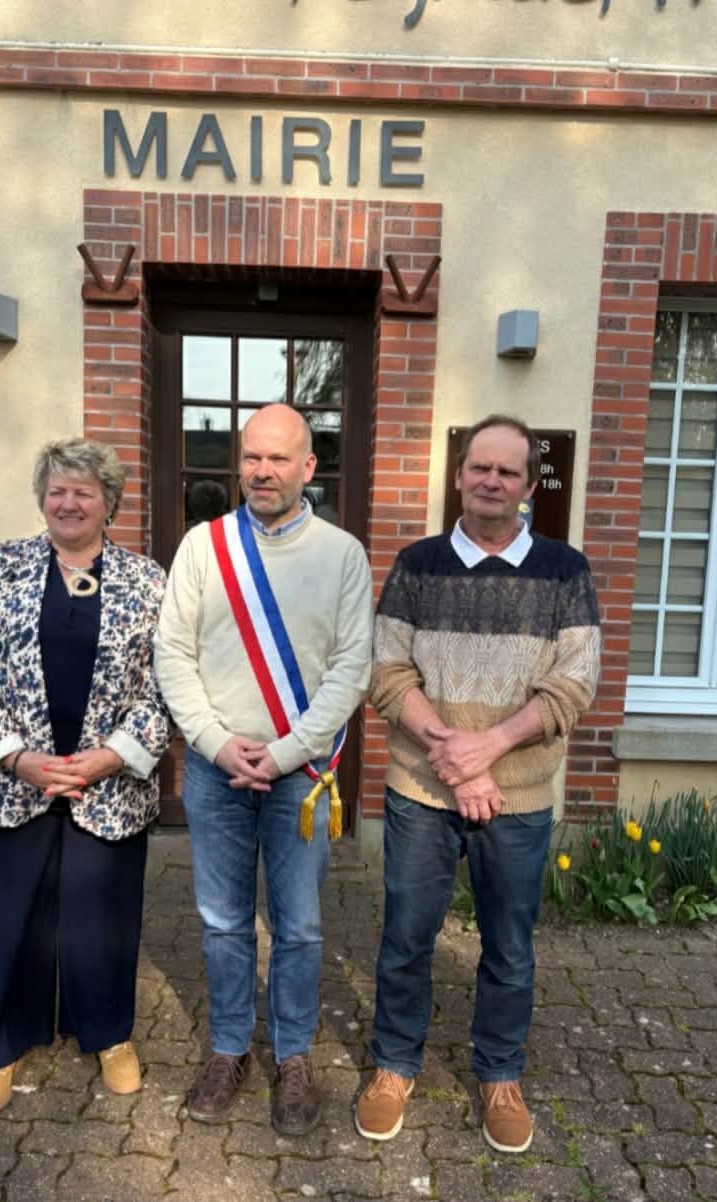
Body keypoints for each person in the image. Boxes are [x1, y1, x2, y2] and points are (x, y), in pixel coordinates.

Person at [357, 414, 600, 1152]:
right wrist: (453, 756)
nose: (491, 481)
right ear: (459, 475)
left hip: (517, 797)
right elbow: (386, 672)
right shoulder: (416, 565)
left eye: (507, 471)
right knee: (406, 937)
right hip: (422, 791)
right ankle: (394, 1064)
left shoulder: (566, 571)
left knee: (510, 947)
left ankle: (499, 1073)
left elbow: (575, 684)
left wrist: (486, 750)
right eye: (479, 467)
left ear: (529, 484)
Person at [154, 403, 373, 1136]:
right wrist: (215, 742)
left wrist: (282, 753)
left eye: (279, 458)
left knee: (300, 926)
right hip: (217, 770)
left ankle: (293, 1054)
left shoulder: (342, 554)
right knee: (222, 921)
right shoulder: (203, 546)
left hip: (299, 774)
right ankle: (228, 1048)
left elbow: (352, 669)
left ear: (308, 466)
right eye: (252, 456)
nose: (262, 470)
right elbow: (172, 654)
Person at [0, 439, 171, 1118]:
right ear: (42, 499)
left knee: (102, 919)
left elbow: (167, 682)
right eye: (58, 490)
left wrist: (113, 755)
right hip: (14, 779)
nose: (68, 503)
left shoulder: (147, 579)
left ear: (109, 503)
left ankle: (108, 1035)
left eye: (83, 492)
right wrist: (17, 758)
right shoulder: (2, 566)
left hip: (108, 784)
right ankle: (1, 1047)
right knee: (8, 917)